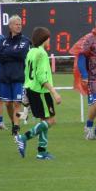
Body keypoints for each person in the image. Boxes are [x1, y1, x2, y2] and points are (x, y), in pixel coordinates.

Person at [14, 27, 61, 160]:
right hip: (41, 91)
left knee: (44, 120)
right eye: (48, 38)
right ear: (44, 39)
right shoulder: (42, 53)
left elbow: (27, 72)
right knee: (51, 120)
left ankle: (41, 152)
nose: (49, 40)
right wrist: (54, 92)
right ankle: (23, 138)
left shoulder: (31, 52)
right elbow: (41, 77)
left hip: (31, 90)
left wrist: (26, 91)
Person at [0, 15, 31, 136]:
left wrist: (8, 53)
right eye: (16, 24)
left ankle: (16, 127)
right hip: (5, 77)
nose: (19, 26)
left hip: (18, 77)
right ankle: (13, 121)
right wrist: (12, 54)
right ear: (10, 26)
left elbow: (21, 54)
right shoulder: (3, 41)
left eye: (20, 24)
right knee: (8, 104)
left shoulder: (25, 40)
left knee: (17, 103)